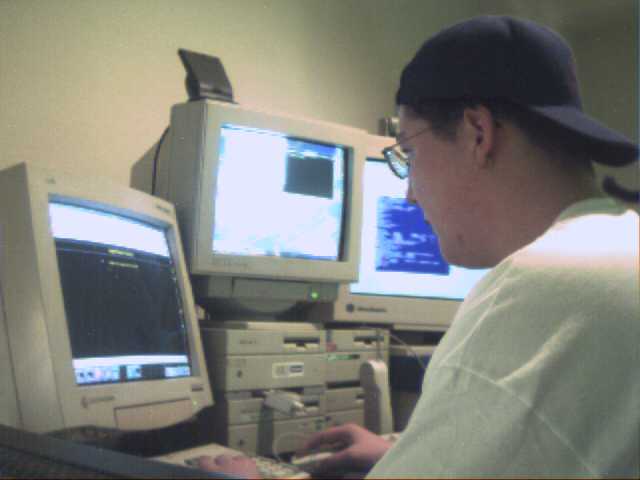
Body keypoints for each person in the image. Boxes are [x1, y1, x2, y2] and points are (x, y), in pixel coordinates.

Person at [198, 15, 639, 478]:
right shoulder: (617, 247)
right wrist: (406, 456)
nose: (410, 194)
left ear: (478, 133)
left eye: (408, 152)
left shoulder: (541, 286)